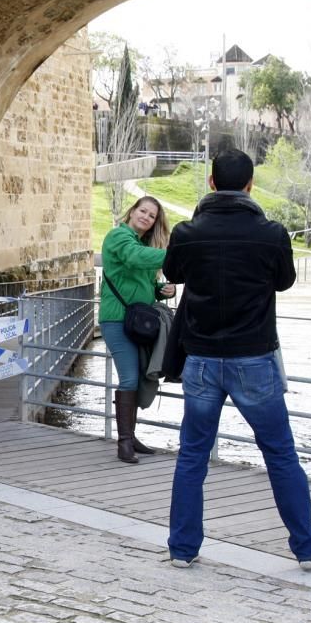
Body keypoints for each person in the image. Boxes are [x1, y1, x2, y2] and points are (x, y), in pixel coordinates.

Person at [162, 148, 311, 571]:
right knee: (279, 453)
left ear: (211, 184)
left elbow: (174, 274)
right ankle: (306, 547)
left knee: (192, 454)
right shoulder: (271, 233)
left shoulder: (186, 232)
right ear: (250, 185)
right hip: (253, 357)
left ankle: (183, 548)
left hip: (200, 358)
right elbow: (285, 281)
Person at [99, 196, 175, 463]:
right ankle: (124, 444)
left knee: (139, 377)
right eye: (143, 211)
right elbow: (133, 259)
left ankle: (131, 436)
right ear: (132, 212)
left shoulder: (142, 244)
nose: (146, 217)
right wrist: (176, 253)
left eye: (152, 215)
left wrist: (162, 290)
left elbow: (142, 282)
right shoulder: (119, 237)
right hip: (117, 321)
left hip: (138, 323)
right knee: (130, 378)